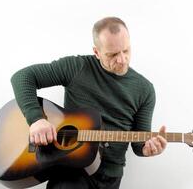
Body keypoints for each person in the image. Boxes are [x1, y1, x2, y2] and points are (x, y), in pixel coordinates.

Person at [11, 16, 167, 189]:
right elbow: (22, 77)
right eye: (113, 54)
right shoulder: (77, 67)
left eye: (126, 50)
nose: (122, 59)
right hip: (71, 169)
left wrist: (147, 149)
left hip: (110, 177)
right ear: (96, 52)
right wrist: (36, 119)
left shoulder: (145, 89)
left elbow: (139, 144)